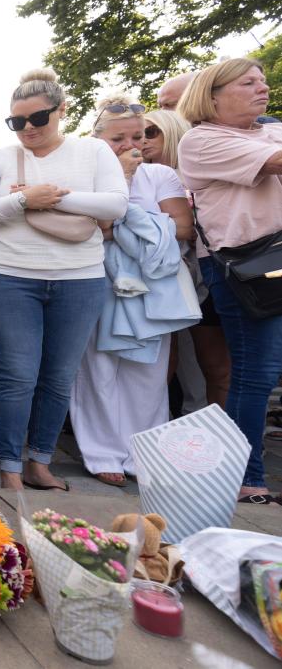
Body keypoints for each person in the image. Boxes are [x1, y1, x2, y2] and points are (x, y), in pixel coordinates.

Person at [0, 68, 128, 490]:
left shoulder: (93, 151)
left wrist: (50, 197)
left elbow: (115, 205)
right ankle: (10, 469)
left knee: (59, 376)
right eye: (16, 122)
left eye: (37, 119)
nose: (27, 129)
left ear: (61, 110)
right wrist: (23, 200)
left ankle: (40, 462)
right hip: (7, 275)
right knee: (19, 374)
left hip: (80, 278)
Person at [70, 94, 195, 485]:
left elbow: (184, 229)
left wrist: (120, 227)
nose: (131, 146)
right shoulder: (82, 175)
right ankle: (102, 450)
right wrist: (127, 195)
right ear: (97, 140)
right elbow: (87, 226)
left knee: (148, 371)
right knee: (99, 367)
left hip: (152, 284)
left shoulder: (160, 176)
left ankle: (141, 452)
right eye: (118, 138)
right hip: (97, 277)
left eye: (137, 137)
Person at [176, 57, 282, 505]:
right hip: (247, 269)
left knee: (259, 373)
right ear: (212, 96)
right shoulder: (203, 139)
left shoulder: (270, 128)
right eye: (247, 82)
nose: (262, 88)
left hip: (271, 261)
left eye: (262, 81)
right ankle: (245, 475)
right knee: (255, 374)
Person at [142, 108, 231, 415]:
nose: (142, 140)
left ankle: (224, 437)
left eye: (151, 131)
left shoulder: (199, 175)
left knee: (211, 364)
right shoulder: (132, 178)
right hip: (158, 281)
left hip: (204, 277)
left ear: (172, 131)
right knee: (169, 362)